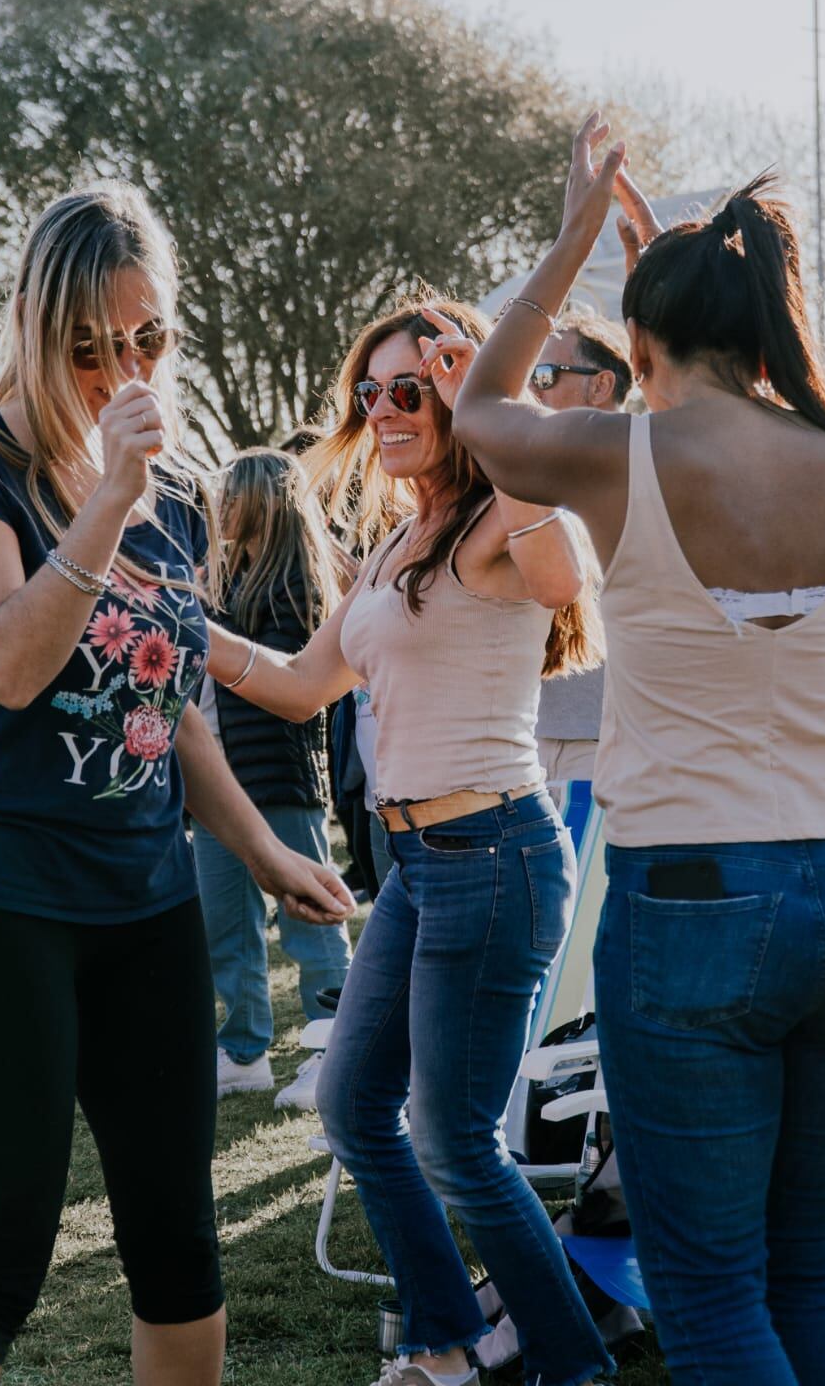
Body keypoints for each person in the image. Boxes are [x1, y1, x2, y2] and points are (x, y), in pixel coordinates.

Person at [453, 112, 825, 1386]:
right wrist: (673, 257)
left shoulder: (618, 451)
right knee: (803, 1269)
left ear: (642, 345)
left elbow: (480, 405)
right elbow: (723, 361)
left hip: (701, 900)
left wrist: (571, 244)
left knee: (710, 1291)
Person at [0, 185, 353, 1386]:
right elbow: (2, 663)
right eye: (91, 346)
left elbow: (175, 707)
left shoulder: (183, 494)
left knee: (178, 1245)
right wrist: (103, 505)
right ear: (39, 329)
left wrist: (264, 851)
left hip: (145, 905)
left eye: (147, 339)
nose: (121, 367)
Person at [206, 296, 615, 1386]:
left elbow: (567, 578)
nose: (382, 409)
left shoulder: (499, 520)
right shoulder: (397, 537)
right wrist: (180, 627)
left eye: (410, 389)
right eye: (368, 392)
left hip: (494, 852)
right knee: (353, 1107)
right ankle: (447, 1341)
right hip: (419, 864)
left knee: (453, 1139)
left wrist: (497, 403)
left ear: (453, 400)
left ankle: (569, 1365)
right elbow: (299, 688)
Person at [194, 447, 352, 1109]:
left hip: (280, 779)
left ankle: (336, 1050)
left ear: (260, 502)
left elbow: (289, 678)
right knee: (223, 923)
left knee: (308, 922)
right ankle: (243, 1049)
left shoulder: (297, 586)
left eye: (229, 495)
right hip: (219, 785)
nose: (218, 508)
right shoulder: (226, 580)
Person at [530, 311, 631, 788]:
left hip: (609, 742)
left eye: (546, 376)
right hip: (528, 737)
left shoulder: (648, 473)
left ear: (601, 385)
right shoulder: (530, 479)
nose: (532, 391)